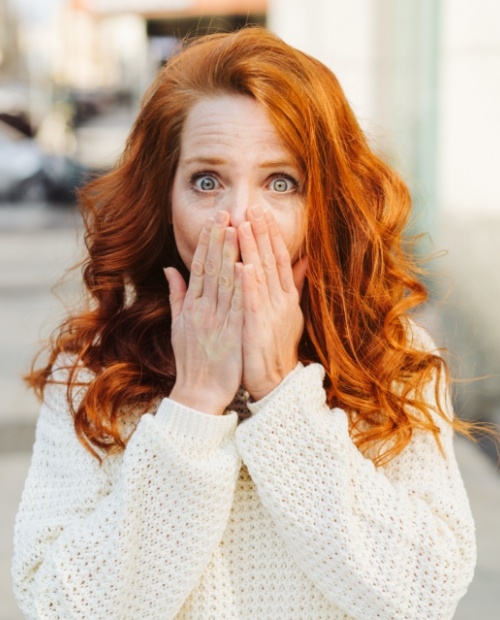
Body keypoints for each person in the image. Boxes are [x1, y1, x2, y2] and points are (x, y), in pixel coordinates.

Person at [13, 27, 476, 620]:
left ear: (323, 206)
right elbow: (59, 605)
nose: (237, 220)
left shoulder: (393, 357)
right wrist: (195, 404)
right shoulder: (95, 372)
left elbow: (423, 596)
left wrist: (282, 392)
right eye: (207, 181)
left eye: (280, 182)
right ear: (164, 197)